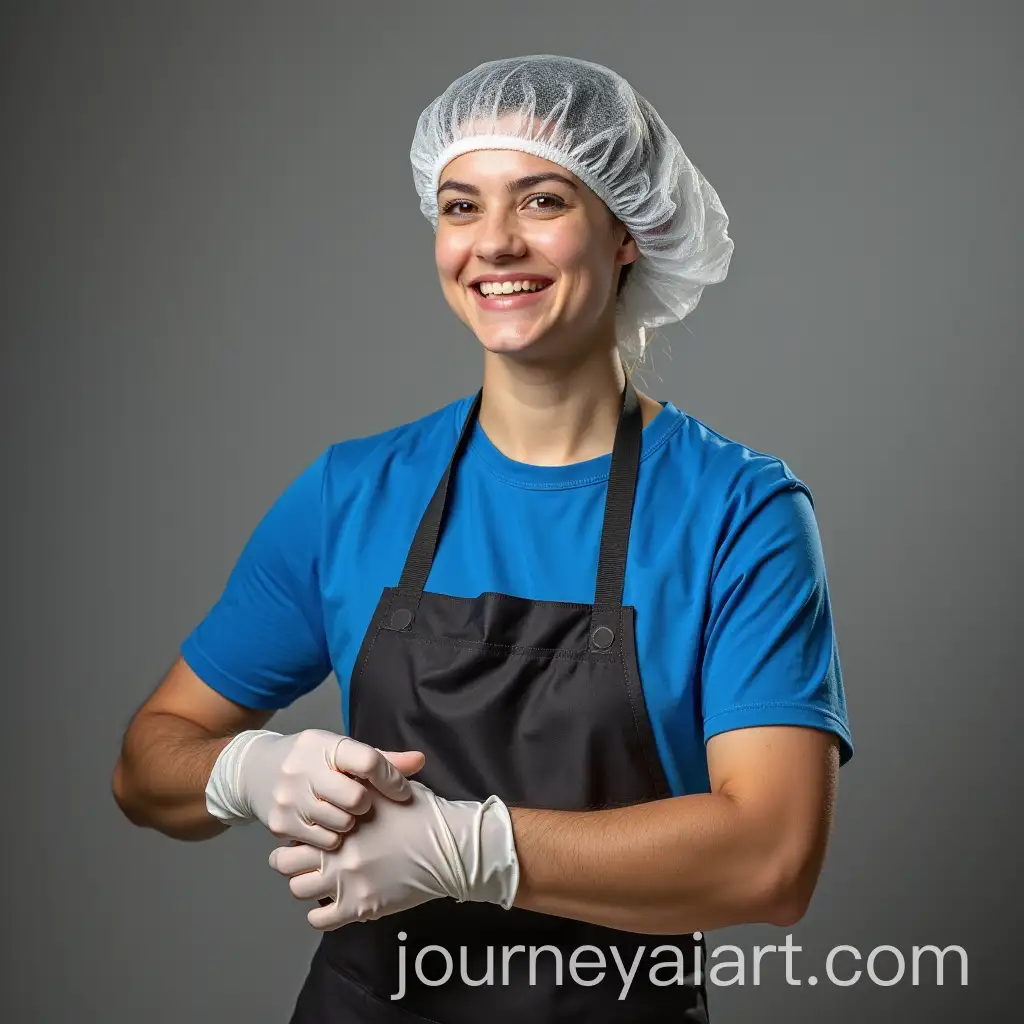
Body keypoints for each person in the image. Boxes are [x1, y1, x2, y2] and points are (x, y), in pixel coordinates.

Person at [112, 55, 853, 1023]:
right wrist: (248, 770)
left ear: (625, 229)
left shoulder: (738, 513)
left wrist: (469, 847)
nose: (494, 244)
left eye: (540, 199)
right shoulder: (353, 493)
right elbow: (145, 763)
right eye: (460, 207)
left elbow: (773, 857)